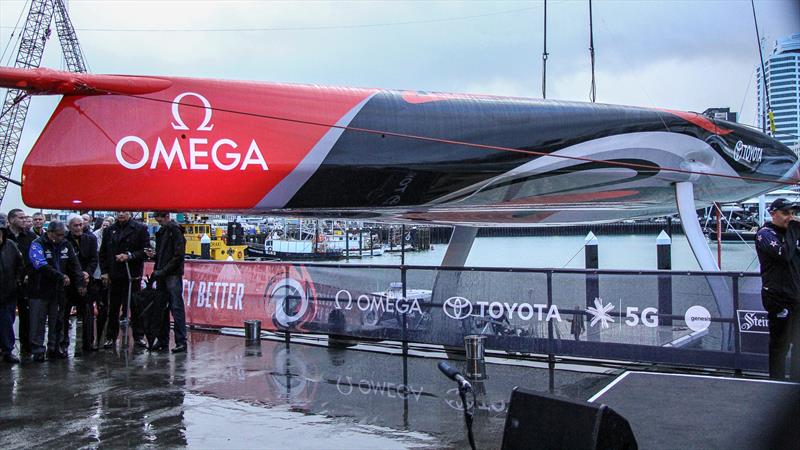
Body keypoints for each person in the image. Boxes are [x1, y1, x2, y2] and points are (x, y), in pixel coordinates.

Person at [756, 198, 800, 380]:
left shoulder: (793, 234)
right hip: (777, 298)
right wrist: (794, 229)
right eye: (786, 213)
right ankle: (777, 383)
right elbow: (784, 255)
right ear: (773, 213)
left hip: (796, 296)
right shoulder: (765, 234)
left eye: (793, 213)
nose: (790, 217)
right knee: (780, 344)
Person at [28, 221, 84, 361]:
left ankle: (55, 347)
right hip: (39, 289)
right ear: (50, 232)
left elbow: (75, 265)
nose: (61, 237)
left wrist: (80, 283)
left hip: (59, 291)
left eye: (63, 235)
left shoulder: (66, 244)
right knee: (38, 321)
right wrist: (60, 276)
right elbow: (40, 264)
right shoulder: (37, 243)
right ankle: (38, 350)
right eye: (58, 235)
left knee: (57, 321)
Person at [99, 212, 150, 349]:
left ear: (130, 213)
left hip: (132, 275)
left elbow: (146, 251)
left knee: (135, 306)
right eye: (118, 211)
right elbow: (103, 253)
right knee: (113, 308)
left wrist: (130, 256)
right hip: (115, 275)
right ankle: (110, 337)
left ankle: (139, 337)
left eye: (124, 211)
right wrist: (104, 272)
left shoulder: (140, 229)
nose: (121, 214)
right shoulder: (109, 230)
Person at [146, 212, 187, 353]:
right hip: (168, 273)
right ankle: (175, 341)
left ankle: (172, 340)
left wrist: (161, 269)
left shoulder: (170, 230)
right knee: (169, 307)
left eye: (159, 218)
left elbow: (177, 256)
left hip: (169, 274)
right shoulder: (169, 230)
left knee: (170, 307)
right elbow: (176, 255)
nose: (158, 221)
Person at [61, 214, 99, 353]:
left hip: (86, 280)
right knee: (64, 314)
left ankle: (88, 343)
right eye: (75, 225)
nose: (78, 228)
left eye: (80, 225)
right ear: (69, 226)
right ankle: (63, 343)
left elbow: (94, 259)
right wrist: (76, 276)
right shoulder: (64, 240)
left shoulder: (90, 239)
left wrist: (87, 273)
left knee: (88, 314)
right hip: (69, 282)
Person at [6, 209, 36, 354]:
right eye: (21, 217)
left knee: (27, 315)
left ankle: (27, 345)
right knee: (8, 315)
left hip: (26, 281)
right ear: (11, 220)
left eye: (25, 217)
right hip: (8, 282)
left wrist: (29, 274)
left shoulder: (30, 237)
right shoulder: (5, 235)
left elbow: (34, 258)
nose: (24, 220)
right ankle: (6, 346)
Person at [0, 227, 24, 363]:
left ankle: (7, 350)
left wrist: (17, 281)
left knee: (7, 322)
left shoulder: (10, 245)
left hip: (8, 292)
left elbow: (20, 265)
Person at [92, 216, 114, 348]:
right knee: (101, 305)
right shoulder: (95, 236)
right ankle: (97, 336)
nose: (105, 227)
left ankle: (108, 335)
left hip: (110, 274)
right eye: (103, 225)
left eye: (107, 225)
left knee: (108, 305)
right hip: (97, 275)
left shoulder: (112, 236)